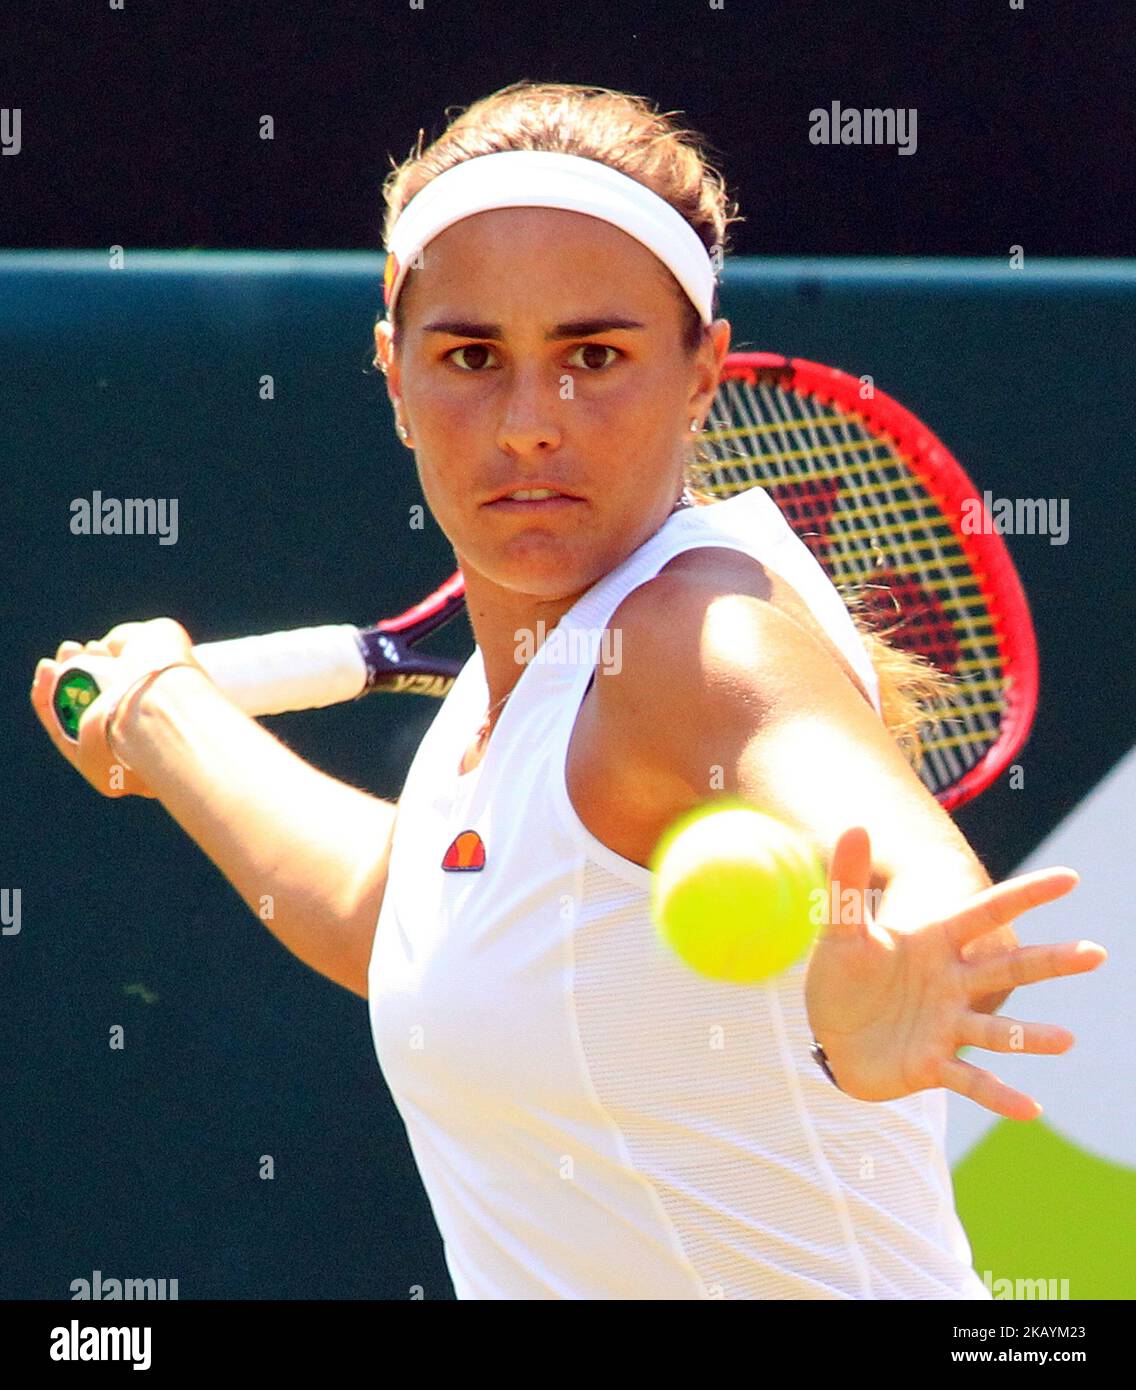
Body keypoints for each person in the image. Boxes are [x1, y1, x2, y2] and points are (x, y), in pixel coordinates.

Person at [32, 81, 1105, 1300]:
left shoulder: (695, 636)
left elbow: (899, 860)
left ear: (702, 370)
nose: (531, 421)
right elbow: (386, 912)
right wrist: (165, 719)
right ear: (392, 373)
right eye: (471, 356)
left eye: (593, 355)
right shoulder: (501, 710)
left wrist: (901, 957)